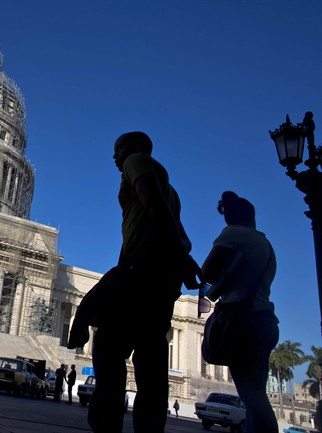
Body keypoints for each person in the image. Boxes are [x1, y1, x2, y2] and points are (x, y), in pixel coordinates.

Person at [68, 131, 200, 433]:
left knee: (108, 346)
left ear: (139, 148)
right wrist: (183, 259)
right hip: (163, 281)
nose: (115, 155)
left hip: (142, 268)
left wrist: (169, 254)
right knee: (151, 356)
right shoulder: (173, 192)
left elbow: (153, 205)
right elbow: (182, 235)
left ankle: (106, 424)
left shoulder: (136, 162)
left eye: (120, 148)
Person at [201, 191, 279, 433]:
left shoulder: (233, 235)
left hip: (242, 324)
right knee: (255, 395)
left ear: (228, 218)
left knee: (253, 398)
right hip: (264, 319)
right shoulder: (265, 244)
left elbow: (206, 273)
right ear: (252, 216)